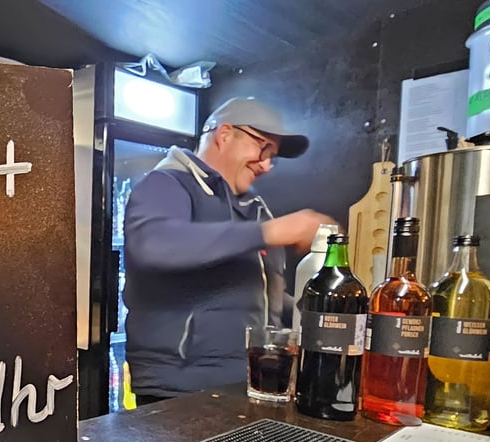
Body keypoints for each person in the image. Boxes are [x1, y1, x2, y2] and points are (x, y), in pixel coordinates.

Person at [123, 96, 336, 404]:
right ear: (224, 134)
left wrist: (323, 312)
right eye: (263, 148)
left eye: (272, 157)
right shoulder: (166, 184)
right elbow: (154, 244)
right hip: (178, 391)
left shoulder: (253, 210)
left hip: (250, 383)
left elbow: (258, 296)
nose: (266, 165)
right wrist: (273, 232)